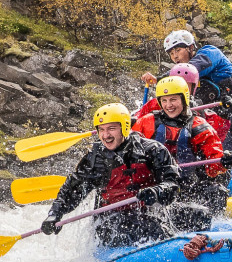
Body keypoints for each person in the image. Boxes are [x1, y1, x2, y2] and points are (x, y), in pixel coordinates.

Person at [40, 103, 181, 247]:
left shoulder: (152, 150)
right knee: (125, 230)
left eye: (111, 129)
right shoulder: (94, 160)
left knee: (160, 224)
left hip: (150, 214)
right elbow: (72, 191)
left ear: (125, 127)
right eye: (101, 130)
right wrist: (55, 214)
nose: (105, 135)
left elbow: (172, 184)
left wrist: (157, 191)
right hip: (111, 221)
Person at [155, 29, 232, 173]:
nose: (175, 56)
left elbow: (193, 68)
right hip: (226, 119)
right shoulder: (187, 82)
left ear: (191, 48)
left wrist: (158, 79)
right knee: (219, 155)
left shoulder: (210, 53)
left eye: (178, 50)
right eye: (171, 53)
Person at [133, 76, 232, 230]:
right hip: (154, 188)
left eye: (173, 100)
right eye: (164, 100)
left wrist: (224, 162)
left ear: (184, 99)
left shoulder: (199, 126)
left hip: (188, 187)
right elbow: (128, 148)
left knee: (215, 193)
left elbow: (213, 164)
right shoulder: (147, 122)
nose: (169, 105)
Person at [135, 63, 230, 142]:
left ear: (194, 87)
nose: (180, 87)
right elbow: (136, 124)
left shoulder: (199, 109)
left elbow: (217, 135)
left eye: (185, 85)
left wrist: (224, 114)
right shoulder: (154, 104)